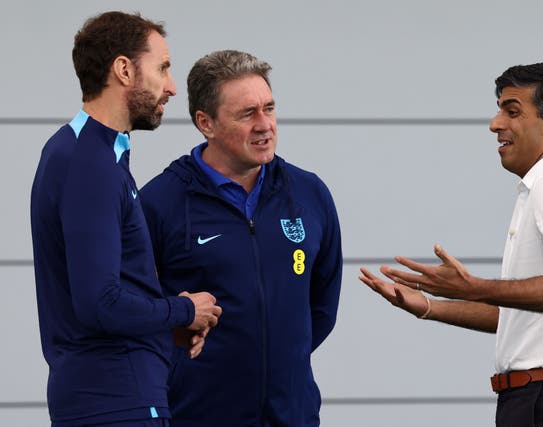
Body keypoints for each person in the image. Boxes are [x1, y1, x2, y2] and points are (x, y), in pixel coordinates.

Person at [359, 63, 543, 426]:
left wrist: (473, 287)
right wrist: (430, 306)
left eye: (511, 111)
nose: (495, 124)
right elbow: (517, 318)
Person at [30, 11, 221, 427]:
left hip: (114, 397)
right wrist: (182, 311)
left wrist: (163, 325)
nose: (171, 87)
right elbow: (99, 304)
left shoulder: (87, 154)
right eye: (163, 68)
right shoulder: (89, 163)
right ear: (123, 70)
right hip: (116, 403)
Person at [140, 49, 343, 427]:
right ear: (206, 123)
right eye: (247, 114)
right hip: (195, 415)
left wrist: (274, 365)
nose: (264, 124)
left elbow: (321, 307)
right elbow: (139, 313)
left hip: (292, 415)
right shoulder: (159, 203)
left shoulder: (309, 193)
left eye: (269, 108)